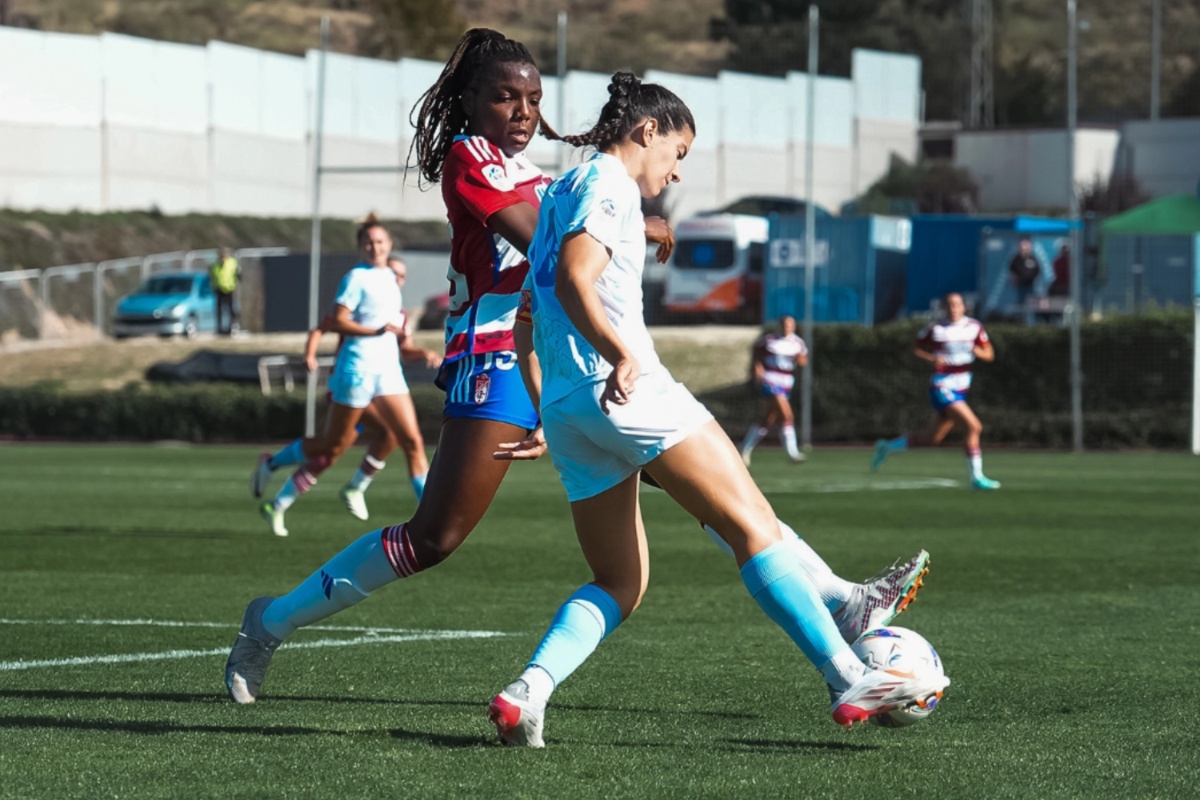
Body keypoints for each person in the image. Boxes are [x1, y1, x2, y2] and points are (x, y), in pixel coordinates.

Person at [223, 30, 927, 711]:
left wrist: (625, 229)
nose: (523, 113)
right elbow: (544, 244)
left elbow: (571, 227)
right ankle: (271, 620)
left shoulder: (546, 177)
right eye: (505, 98)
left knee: (701, 493)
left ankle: (840, 599)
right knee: (434, 537)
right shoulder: (474, 157)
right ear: (469, 101)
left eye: (532, 100)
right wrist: (630, 227)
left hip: (558, 367)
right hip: (496, 360)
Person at [487, 72, 946, 748]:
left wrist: (539, 409)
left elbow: (526, 318)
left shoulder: (557, 196)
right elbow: (574, 280)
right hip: (627, 391)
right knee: (753, 528)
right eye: (678, 153)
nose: (675, 172)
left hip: (566, 408)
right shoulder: (608, 184)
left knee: (619, 581)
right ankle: (847, 671)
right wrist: (621, 355)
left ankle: (527, 692)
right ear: (645, 132)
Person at [252, 215, 430, 537]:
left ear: (389, 245)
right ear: (361, 247)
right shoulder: (356, 278)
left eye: (380, 242)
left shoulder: (391, 280)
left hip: (388, 372)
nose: (375, 247)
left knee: (410, 440)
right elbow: (336, 322)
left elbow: (396, 336)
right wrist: (373, 331)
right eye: (369, 242)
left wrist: (420, 351)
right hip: (357, 370)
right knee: (330, 447)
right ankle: (273, 465)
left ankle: (428, 516)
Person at [871, 291, 1000, 490]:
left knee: (932, 439)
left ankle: (886, 448)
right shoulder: (936, 329)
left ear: (964, 307)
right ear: (943, 308)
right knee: (974, 427)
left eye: (957, 304)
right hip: (942, 387)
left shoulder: (974, 327)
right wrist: (931, 358)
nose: (953, 308)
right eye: (949, 305)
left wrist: (979, 352)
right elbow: (915, 348)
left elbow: (990, 353)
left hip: (961, 388)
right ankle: (977, 478)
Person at [739, 314, 807, 466]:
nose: (787, 327)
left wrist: (798, 358)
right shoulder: (769, 340)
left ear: (794, 327)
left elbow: (803, 361)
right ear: (780, 325)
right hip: (770, 379)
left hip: (786, 381)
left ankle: (745, 447)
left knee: (768, 419)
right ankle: (793, 453)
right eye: (784, 324)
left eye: (790, 325)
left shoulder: (798, 343)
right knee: (787, 415)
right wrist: (757, 367)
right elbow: (756, 353)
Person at [1007, 237, 1040, 323]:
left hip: (1031, 286)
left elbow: (1038, 270)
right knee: (1020, 305)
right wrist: (1014, 280)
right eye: (1022, 246)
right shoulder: (1016, 259)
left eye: (1026, 246)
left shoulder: (1033, 258)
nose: (1024, 248)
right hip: (1020, 287)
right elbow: (1012, 271)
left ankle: (1031, 322)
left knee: (1031, 306)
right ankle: (1020, 322)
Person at [209, 247, 240, 336]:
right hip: (219, 289)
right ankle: (219, 328)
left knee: (231, 310)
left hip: (230, 289)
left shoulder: (232, 263)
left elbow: (237, 274)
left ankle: (232, 328)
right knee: (219, 310)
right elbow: (212, 276)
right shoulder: (215, 265)